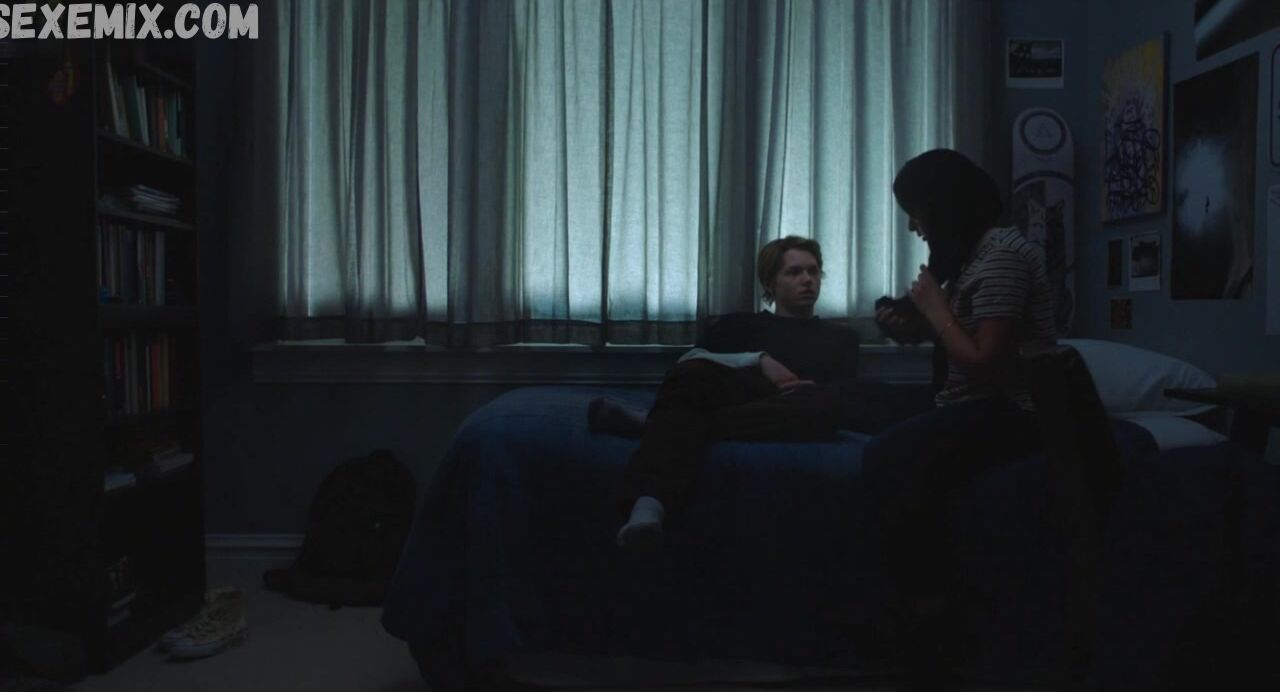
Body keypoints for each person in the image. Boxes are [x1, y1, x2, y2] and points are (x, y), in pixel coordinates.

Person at [864, 148, 1057, 689]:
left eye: (915, 211)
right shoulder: (970, 256)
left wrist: (934, 309)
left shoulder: (1003, 257)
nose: (912, 225)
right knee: (859, 401)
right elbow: (956, 337)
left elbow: (982, 361)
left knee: (886, 457)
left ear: (941, 206)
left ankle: (933, 613)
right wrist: (910, 323)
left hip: (1010, 413)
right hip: (964, 402)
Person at [592, 235, 860, 551]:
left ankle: (656, 424)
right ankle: (647, 508)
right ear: (770, 283)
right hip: (737, 393)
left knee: (828, 406)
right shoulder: (739, 325)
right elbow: (688, 363)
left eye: (813, 271)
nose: (807, 280)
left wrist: (812, 390)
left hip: (793, 408)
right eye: (794, 272)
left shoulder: (840, 338)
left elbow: (845, 393)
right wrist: (760, 360)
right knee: (691, 376)